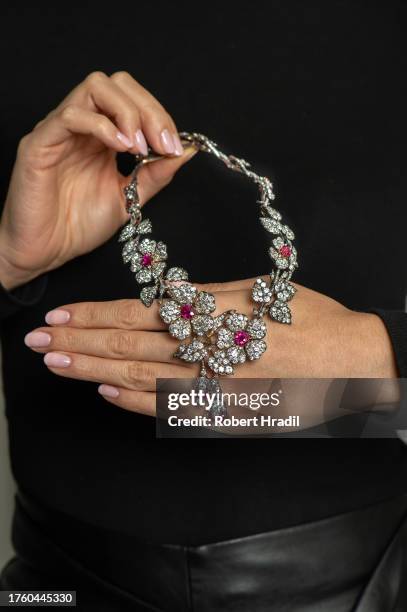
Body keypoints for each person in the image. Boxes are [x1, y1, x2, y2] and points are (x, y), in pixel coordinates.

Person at [1, 4, 406, 610]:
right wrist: (9, 262)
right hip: (49, 590)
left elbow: (378, 390)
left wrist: (377, 364)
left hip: (371, 586)